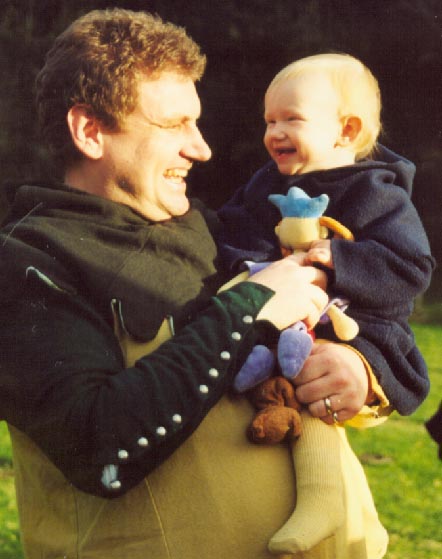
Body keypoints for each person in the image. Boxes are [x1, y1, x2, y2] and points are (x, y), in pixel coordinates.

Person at [0, 11, 390, 559]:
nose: (201, 148)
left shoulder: (219, 230)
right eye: (174, 124)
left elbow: (343, 327)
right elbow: (98, 447)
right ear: (90, 131)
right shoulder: (29, 262)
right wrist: (250, 307)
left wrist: (358, 372)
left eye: (197, 123)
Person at [218, 53, 434, 555]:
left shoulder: (377, 191)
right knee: (275, 388)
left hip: (359, 327)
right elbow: (231, 231)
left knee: (318, 402)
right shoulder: (264, 185)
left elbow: (410, 266)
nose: (274, 133)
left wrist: (336, 260)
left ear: (346, 130)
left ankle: (323, 500)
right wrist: (255, 267)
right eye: (269, 121)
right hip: (282, 325)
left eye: (290, 119)